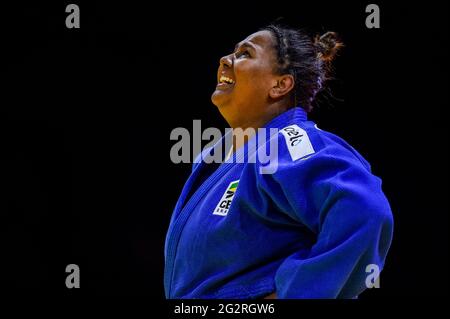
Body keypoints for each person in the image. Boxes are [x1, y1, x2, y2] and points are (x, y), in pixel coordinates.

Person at [164, 24, 394, 299]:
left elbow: (365, 211)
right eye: (233, 52)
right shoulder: (215, 156)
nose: (226, 60)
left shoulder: (291, 142)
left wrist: (299, 292)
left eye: (245, 54)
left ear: (280, 85)